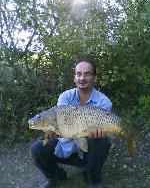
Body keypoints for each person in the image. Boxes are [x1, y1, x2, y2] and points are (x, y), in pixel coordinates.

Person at [29, 59, 112, 188]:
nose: (82, 78)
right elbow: (63, 127)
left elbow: (102, 132)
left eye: (87, 74)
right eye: (79, 74)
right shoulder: (65, 97)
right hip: (66, 147)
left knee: (102, 141)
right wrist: (53, 132)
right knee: (36, 148)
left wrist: (99, 134)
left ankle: (93, 178)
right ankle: (55, 176)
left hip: (88, 152)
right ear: (74, 78)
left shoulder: (104, 102)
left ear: (95, 78)